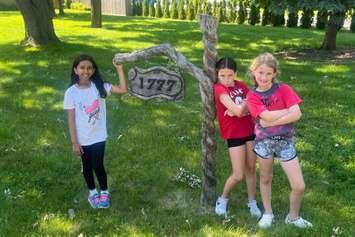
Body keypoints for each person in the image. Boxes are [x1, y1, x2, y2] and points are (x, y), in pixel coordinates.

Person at [246, 53, 312, 228]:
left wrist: (269, 121)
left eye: (268, 73)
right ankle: (268, 213)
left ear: (275, 73)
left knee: (299, 186)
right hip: (264, 143)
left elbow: (297, 114)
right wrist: (286, 112)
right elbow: (268, 115)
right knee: (266, 178)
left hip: (285, 142)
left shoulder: (284, 89)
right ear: (253, 72)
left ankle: (293, 217)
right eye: (260, 72)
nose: (264, 77)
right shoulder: (252, 96)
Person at [63, 54, 127, 209]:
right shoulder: (71, 92)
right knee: (86, 167)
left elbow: (123, 89)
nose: (86, 71)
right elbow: (71, 119)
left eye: (89, 67)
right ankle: (92, 192)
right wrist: (74, 142)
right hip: (82, 138)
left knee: (98, 165)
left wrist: (119, 69)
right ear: (75, 70)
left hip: (98, 136)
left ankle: (104, 191)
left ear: (93, 70)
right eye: (82, 67)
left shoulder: (100, 86)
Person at [213, 57, 261, 218]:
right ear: (217, 74)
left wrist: (238, 111)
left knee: (251, 169)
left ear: (235, 73)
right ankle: (223, 198)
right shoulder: (219, 89)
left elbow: (255, 107)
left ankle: (252, 201)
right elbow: (243, 110)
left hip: (250, 131)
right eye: (222, 75)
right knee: (238, 174)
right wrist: (241, 110)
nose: (226, 79)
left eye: (230, 75)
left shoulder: (241, 85)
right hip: (234, 134)